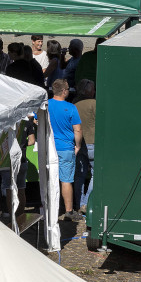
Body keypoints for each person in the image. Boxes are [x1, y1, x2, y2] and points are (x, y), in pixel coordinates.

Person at [48, 79, 82, 221]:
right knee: (66, 180)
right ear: (63, 91)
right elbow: (78, 130)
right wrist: (78, 145)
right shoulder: (71, 108)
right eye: (68, 88)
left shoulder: (45, 105)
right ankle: (68, 211)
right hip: (66, 148)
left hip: (49, 148)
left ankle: (50, 208)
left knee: (50, 179)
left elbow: (35, 119)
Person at [73, 79, 96, 211]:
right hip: (93, 142)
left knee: (79, 175)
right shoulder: (94, 103)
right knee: (96, 173)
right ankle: (86, 203)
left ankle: (78, 203)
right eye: (93, 89)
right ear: (88, 91)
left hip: (78, 143)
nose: (94, 91)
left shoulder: (74, 103)